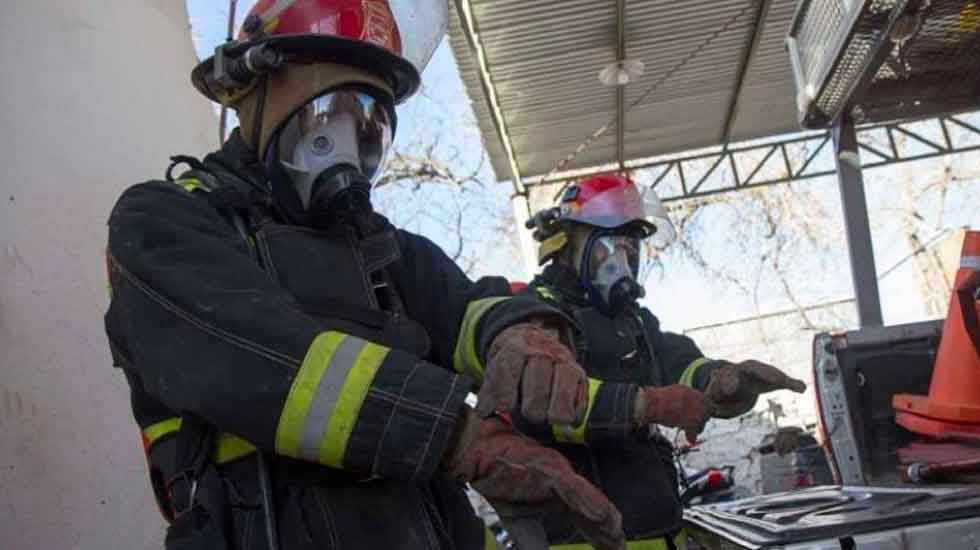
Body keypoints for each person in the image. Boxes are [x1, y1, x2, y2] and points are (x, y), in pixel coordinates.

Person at [103, 2, 625, 549]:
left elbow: (465, 303)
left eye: (372, 124)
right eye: (331, 114)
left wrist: (521, 333)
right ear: (254, 95)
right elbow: (256, 358)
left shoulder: (380, 247)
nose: (349, 150)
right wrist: (459, 436)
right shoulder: (163, 220)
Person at [518, 173, 808, 549]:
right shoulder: (535, 314)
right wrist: (647, 405)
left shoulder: (634, 321)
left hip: (659, 530)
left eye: (632, 248)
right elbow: (545, 405)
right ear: (568, 244)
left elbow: (678, 364)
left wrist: (721, 381)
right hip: (583, 538)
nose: (624, 263)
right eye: (611, 246)